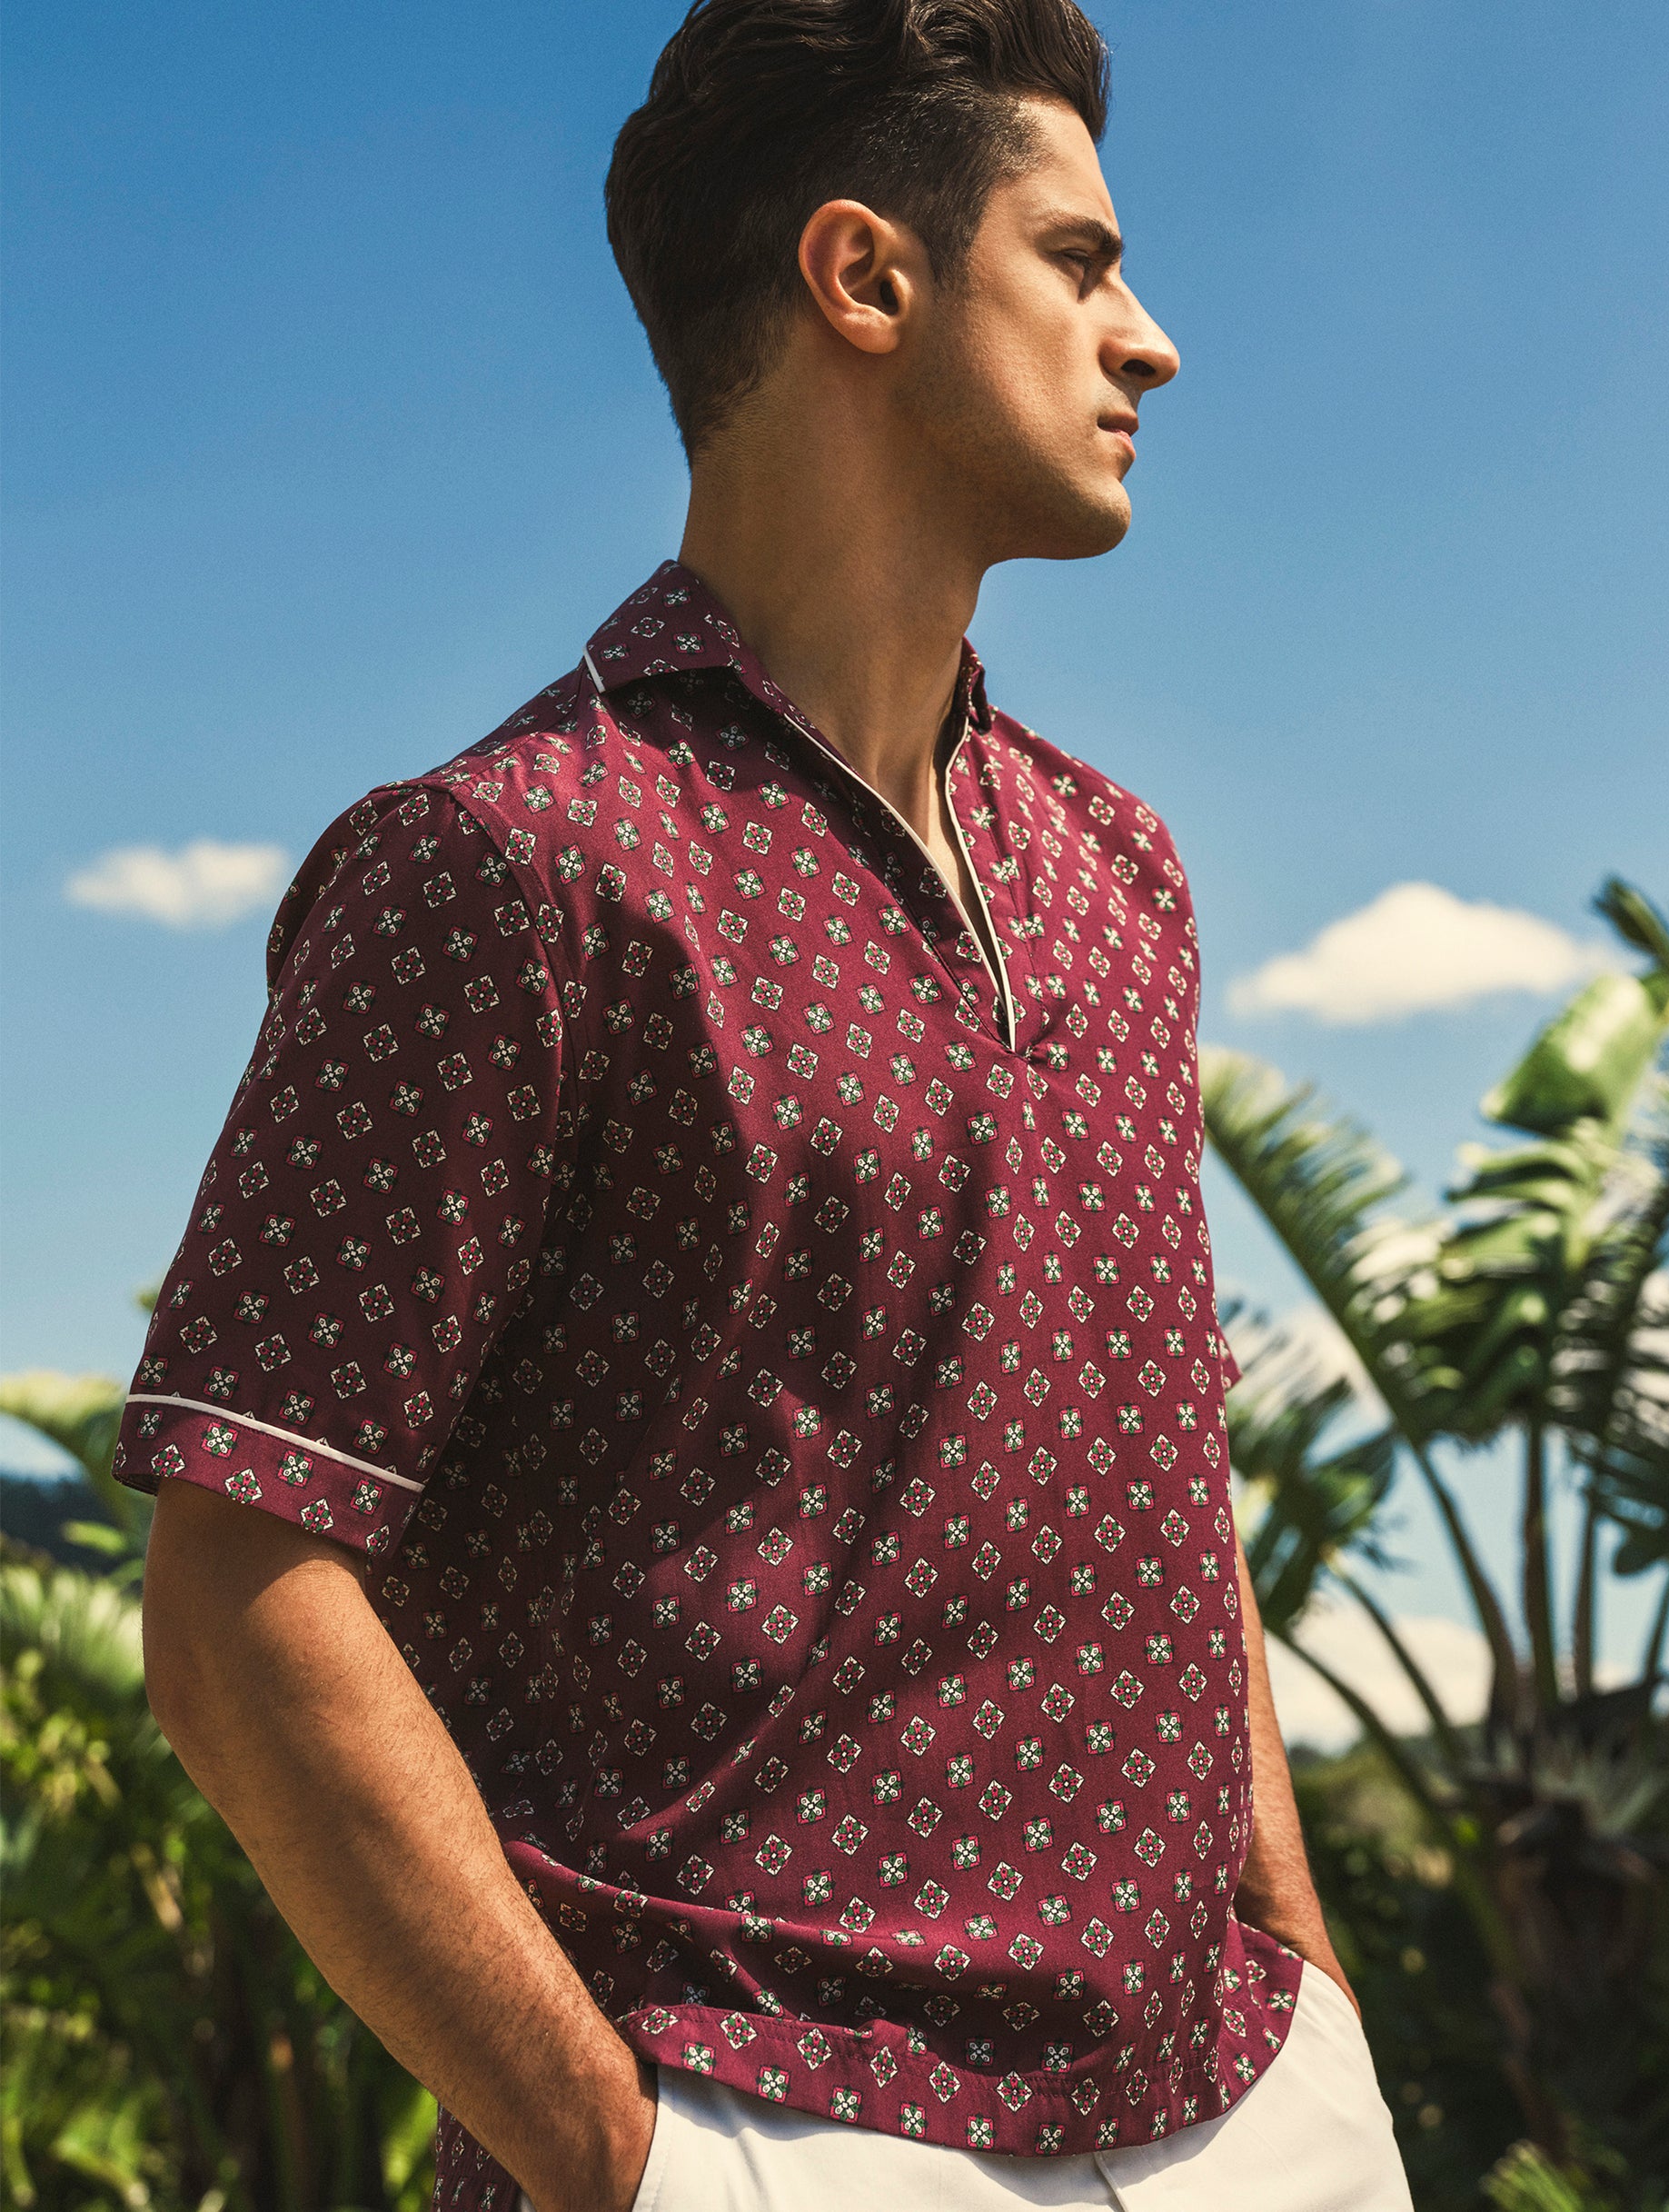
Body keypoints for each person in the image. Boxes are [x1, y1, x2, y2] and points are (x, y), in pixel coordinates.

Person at [125, 3, 1412, 2207]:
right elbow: (240, 1580)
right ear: (867, 277)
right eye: (1081, 260)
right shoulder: (510, 864)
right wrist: (619, 2155)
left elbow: (1164, 1469)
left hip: (1246, 2097)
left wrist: (1301, 1977)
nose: (1154, 339)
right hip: (764, 2116)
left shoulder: (1122, 870)